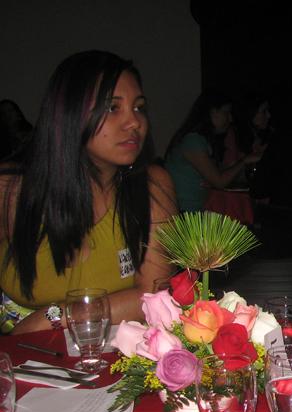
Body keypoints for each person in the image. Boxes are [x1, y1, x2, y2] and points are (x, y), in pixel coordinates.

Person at [0, 50, 176, 334]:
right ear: (69, 113)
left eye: (139, 107)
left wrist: (53, 318)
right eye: (112, 107)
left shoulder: (152, 186)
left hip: (113, 350)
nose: (134, 122)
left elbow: (152, 296)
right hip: (19, 355)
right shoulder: (13, 190)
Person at [164, 90, 262, 213]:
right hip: (183, 213)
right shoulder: (193, 140)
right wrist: (244, 161)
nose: (230, 118)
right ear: (212, 112)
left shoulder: (202, 140)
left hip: (194, 212)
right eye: (226, 112)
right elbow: (219, 181)